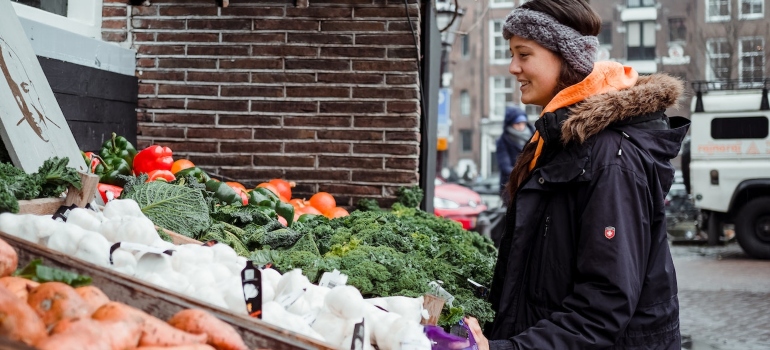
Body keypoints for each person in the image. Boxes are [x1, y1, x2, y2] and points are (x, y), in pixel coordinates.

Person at [463, 0, 689, 349]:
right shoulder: (556, 141)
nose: (513, 67)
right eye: (512, 54)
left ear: (567, 58)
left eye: (524, 54)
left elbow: (603, 306)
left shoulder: (611, 158)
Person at [496, 106, 534, 205]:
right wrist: (523, 174)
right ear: (510, 124)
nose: (521, 126)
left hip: (531, 184)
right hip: (511, 186)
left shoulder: (535, 136)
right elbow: (505, 166)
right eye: (517, 123)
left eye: (523, 123)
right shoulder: (503, 141)